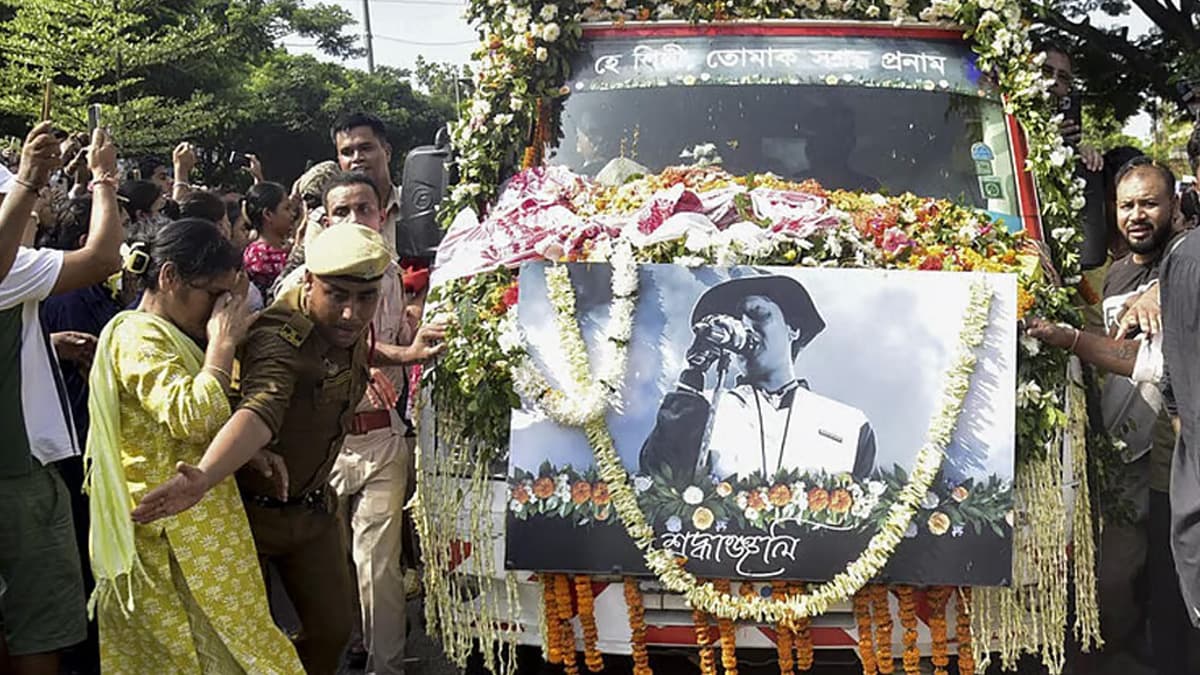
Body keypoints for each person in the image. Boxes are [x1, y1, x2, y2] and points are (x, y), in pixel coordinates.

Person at [130, 223, 444, 674]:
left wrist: (405, 355)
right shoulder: (281, 336)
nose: (352, 314)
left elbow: (353, 353)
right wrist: (204, 478)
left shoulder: (344, 326)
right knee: (245, 645)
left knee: (333, 631)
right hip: (251, 518)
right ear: (309, 283)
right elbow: (261, 410)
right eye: (337, 295)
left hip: (313, 512)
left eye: (366, 298)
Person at [84, 219, 303, 674]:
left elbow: (185, 427)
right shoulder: (137, 335)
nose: (220, 310)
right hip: (171, 542)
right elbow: (194, 414)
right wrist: (222, 345)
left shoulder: (168, 335)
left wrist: (246, 451)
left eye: (229, 300)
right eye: (214, 296)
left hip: (194, 530)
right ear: (169, 278)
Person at [1026, 156, 1192, 673]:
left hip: (1176, 453)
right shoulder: (1115, 272)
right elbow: (1099, 340)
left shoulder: (1185, 263)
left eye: (1150, 203)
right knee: (1117, 574)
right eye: (1127, 206)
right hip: (1119, 452)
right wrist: (1050, 281)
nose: (1137, 215)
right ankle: (1114, 652)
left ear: (1175, 207)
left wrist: (1164, 287)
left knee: (1170, 576)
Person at [276, 171, 421, 675]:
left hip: (382, 438)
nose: (354, 220)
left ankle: (387, 666)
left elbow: (385, 338)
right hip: (322, 449)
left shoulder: (394, 275)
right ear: (325, 218)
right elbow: (279, 358)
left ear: (383, 215)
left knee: (378, 565)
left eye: (364, 209)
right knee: (333, 570)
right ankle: (351, 645)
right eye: (342, 212)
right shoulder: (300, 284)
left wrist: (412, 337)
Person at [0, 125, 123, 675]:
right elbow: (102, 258)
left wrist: (44, 344)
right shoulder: (13, 269)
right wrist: (102, 178)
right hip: (16, 471)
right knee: (38, 625)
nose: (31, 214)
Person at [639, 273, 876, 489]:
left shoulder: (849, 423)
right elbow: (657, 482)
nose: (746, 329)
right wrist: (693, 373)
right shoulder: (696, 408)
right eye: (736, 321)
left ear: (793, 329)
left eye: (758, 314)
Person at [331, 112, 406, 260]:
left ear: (387, 152)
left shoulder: (415, 205)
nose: (357, 158)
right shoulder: (329, 216)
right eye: (347, 152)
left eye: (365, 148)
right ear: (339, 160)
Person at [241, 181, 296, 296]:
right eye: (286, 209)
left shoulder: (285, 247)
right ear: (268, 214)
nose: (293, 214)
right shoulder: (259, 256)